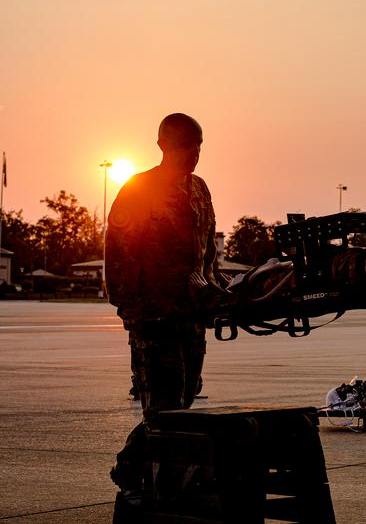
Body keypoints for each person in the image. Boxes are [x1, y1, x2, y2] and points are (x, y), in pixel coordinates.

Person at [106, 113, 225, 516]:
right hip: (154, 315)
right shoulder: (140, 189)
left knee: (184, 403)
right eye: (185, 145)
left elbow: (207, 249)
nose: (193, 154)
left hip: (191, 314)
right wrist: (131, 310)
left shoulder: (199, 190)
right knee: (162, 406)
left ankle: (132, 464)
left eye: (198, 145)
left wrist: (218, 293)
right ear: (162, 145)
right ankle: (153, 488)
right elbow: (118, 252)